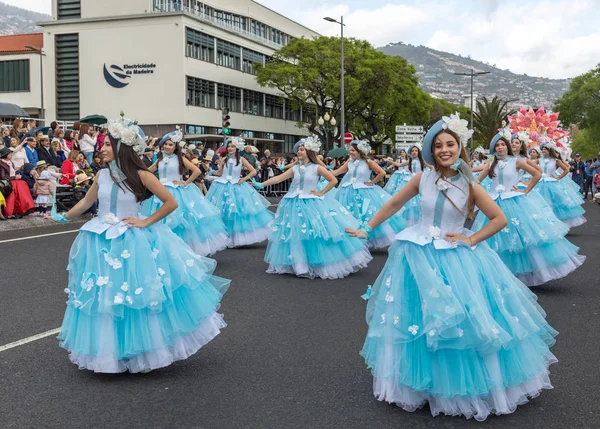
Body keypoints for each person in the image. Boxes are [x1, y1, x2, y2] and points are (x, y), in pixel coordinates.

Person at [347, 114, 557, 421]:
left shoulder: (471, 185)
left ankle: (463, 386)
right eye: (439, 145)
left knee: (462, 322)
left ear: (460, 147)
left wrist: (471, 239)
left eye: (451, 144)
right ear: (430, 149)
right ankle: (420, 385)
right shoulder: (422, 178)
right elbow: (394, 204)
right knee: (417, 316)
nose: (445, 149)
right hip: (417, 253)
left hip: (456, 257)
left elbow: (499, 219)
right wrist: (368, 227)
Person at [52, 114, 230, 373]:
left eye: (107, 145)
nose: (102, 148)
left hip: (131, 238)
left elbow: (171, 202)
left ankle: (140, 353)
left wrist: (146, 222)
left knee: (135, 295)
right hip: (100, 237)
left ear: (121, 148)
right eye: (103, 144)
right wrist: (64, 216)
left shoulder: (142, 175)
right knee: (107, 297)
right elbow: (87, 203)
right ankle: (112, 353)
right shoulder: (101, 175)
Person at [472, 130, 585, 286]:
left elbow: (536, 174)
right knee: (497, 240)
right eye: (497, 145)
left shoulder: (517, 161)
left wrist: (525, 190)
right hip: (494, 204)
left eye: (503, 144)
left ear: (507, 147)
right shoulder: (492, 164)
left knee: (519, 239)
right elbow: (477, 181)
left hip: (514, 202)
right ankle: (501, 275)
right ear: (493, 149)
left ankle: (522, 275)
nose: (500, 147)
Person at [254, 136, 372, 279]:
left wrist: (321, 192)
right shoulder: (296, 168)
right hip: (293, 203)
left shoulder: (317, 168)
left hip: (311, 203)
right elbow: (278, 178)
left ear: (309, 152)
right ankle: (299, 264)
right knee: (295, 233)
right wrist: (262, 184)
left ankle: (314, 263)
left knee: (313, 233)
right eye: (298, 150)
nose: (299, 152)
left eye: (302, 150)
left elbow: (333, 180)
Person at [141, 128, 229, 257]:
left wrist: (186, 183)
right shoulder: (159, 159)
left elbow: (197, 171)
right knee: (161, 222)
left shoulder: (180, 158)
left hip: (176, 192)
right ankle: (166, 251)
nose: (167, 146)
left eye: (170, 144)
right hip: (160, 193)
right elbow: (147, 171)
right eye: (165, 144)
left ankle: (183, 252)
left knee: (181, 223)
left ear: (175, 146)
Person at [331, 140, 406, 249]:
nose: (350, 153)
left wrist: (372, 182)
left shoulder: (368, 162)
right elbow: (337, 172)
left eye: (352, 150)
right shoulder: (349, 162)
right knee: (349, 215)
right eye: (350, 150)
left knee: (365, 214)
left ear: (359, 151)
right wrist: (324, 172)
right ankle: (353, 240)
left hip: (364, 192)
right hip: (347, 192)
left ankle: (365, 238)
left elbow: (382, 172)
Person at [206, 137, 274, 247]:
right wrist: (211, 173)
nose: (230, 148)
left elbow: (253, 171)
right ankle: (224, 237)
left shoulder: (242, 159)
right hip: (222, 186)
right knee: (222, 212)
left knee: (237, 213)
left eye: (232, 146)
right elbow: (220, 172)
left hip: (236, 186)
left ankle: (236, 237)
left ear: (237, 148)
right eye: (228, 146)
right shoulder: (224, 159)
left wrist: (243, 179)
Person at [534, 142, 586, 228]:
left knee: (554, 204)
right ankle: (545, 224)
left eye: (545, 149)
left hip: (551, 184)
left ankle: (556, 224)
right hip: (540, 183)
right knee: (540, 203)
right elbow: (528, 164)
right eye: (542, 149)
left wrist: (558, 178)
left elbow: (566, 169)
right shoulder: (539, 160)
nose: (543, 150)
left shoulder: (555, 160)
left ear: (550, 150)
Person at [0, 147, 35, 218]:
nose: (11, 155)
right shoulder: (1, 164)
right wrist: (14, 177)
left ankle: (26, 206)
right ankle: (11, 211)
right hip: (7, 182)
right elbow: (3, 177)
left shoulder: (10, 162)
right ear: (5, 155)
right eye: (10, 154)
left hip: (13, 180)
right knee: (18, 186)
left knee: (23, 183)